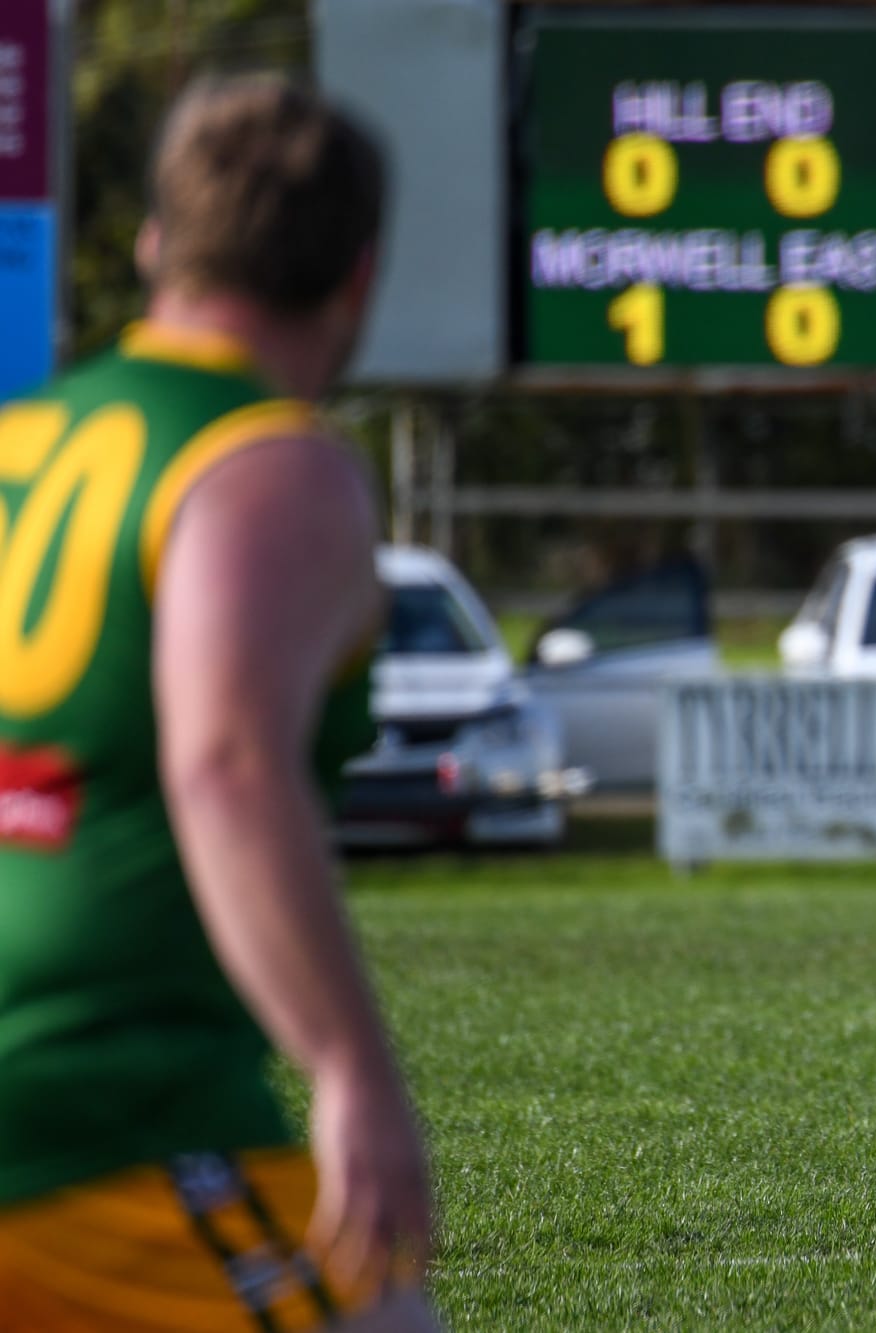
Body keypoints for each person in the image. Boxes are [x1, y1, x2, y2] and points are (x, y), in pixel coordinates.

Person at [0, 76, 437, 1326]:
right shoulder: (266, 461)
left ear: (151, 243)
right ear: (358, 275)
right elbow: (227, 765)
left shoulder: (24, 437)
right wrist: (349, 1065)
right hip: (100, 1116)